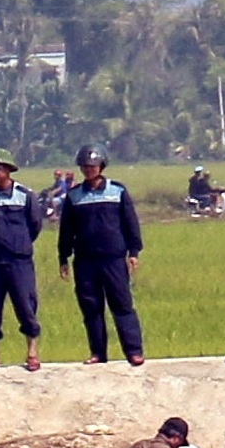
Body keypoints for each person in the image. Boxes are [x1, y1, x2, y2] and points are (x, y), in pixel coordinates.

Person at [57, 143, 146, 366]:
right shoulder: (74, 196)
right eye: (85, 166)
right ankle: (98, 353)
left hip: (114, 259)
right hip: (85, 261)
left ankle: (133, 351)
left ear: (101, 166)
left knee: (122, 305)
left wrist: (134, 251)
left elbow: (130, 223)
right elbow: (66, 229)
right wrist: (63, 257)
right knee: (91, 308)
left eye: (93, 166)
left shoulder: (117, 191)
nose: (89, 170)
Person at [0, 149, 43, 373]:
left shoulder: (25, 195)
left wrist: (19, 244)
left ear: (8, 170)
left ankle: (32, 352)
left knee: (25, 305)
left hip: (19, 261)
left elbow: (35, 226)